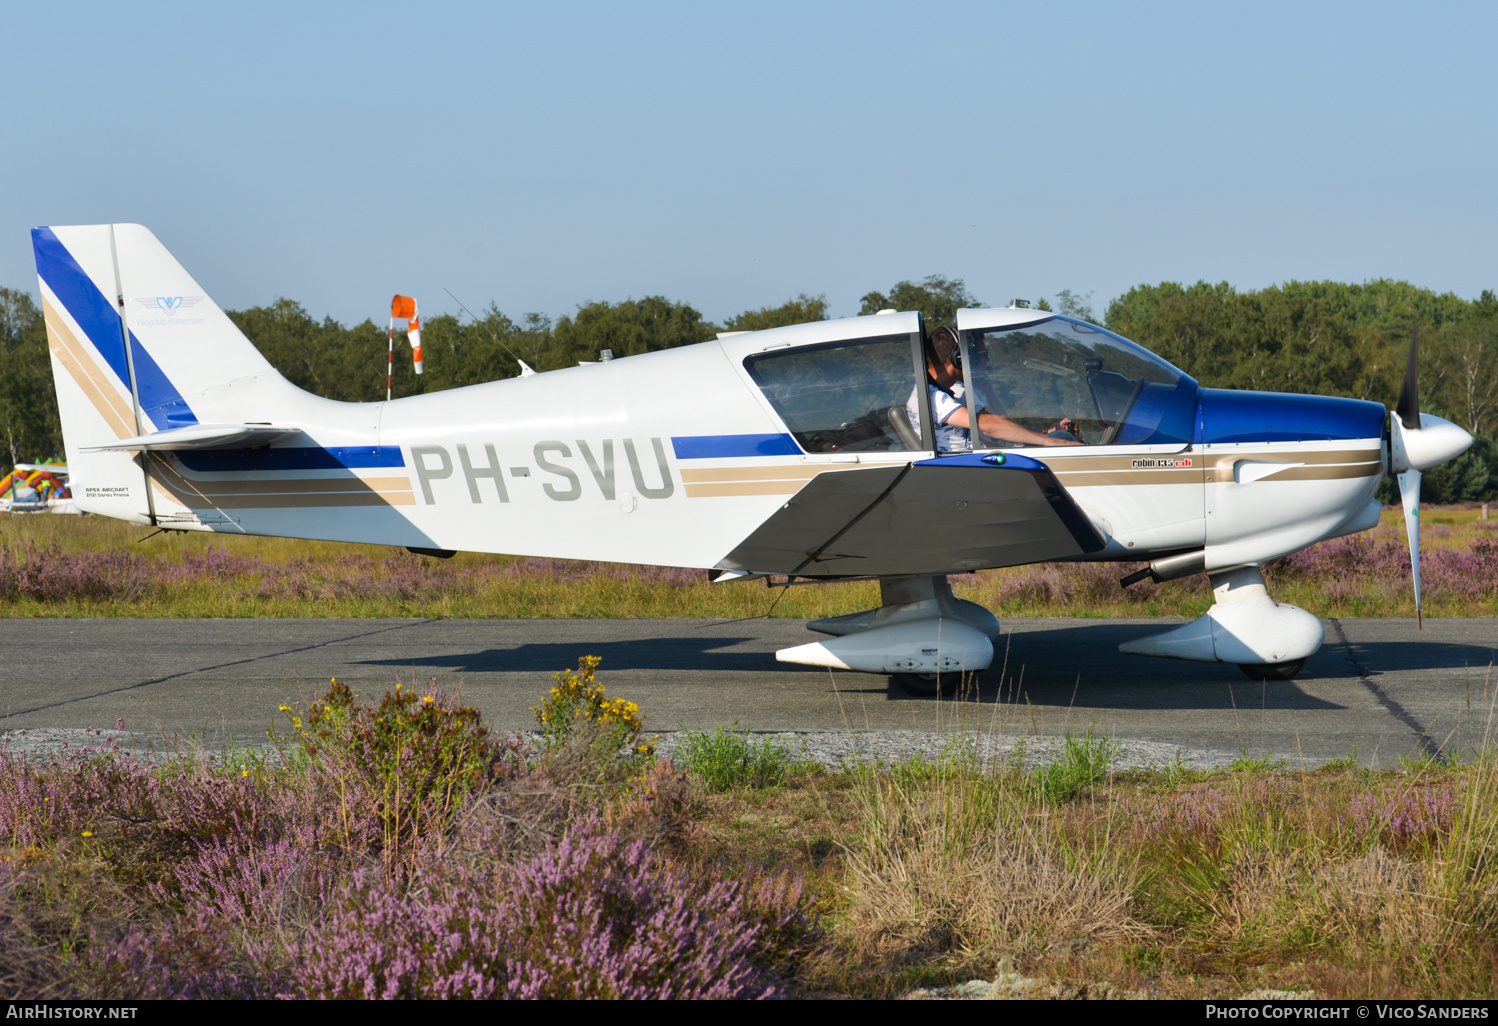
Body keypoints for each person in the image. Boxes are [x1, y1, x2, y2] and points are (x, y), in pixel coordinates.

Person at [907, 326, 1081, 449]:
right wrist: (1049, 440)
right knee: (1061, 439)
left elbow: (990, 422)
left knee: (1060, 437)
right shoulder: (932, 397)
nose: (975, 361)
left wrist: (1047, 434)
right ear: (958, 359)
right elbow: (986, 423)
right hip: (967, 472)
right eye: (972, 355)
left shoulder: (932, 392)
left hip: (970, 465)